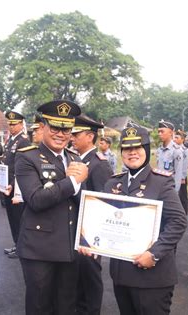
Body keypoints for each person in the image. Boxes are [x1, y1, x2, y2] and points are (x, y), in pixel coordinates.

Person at [81, 124, 186, 315]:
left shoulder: (161, 182)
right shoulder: (113, 182)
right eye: (127, 149)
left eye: (137, 148)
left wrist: (154, 254)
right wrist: (89, 243)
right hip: (122, 276)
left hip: (152, 278)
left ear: (146, 149)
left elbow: (178, 222)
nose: (132, 153)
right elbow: (101, 219)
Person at [15, 100, 88, 315]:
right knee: (40, 306)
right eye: (55, 127)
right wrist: (72, 182)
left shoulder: (75, 158)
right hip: (39, 249)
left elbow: (83, 201)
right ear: (43, 127)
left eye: (66, 129)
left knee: (66, 306)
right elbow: (36, 199)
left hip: (69, 247)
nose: (60, 134)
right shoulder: (27, 157)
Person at [71, 114, 113, 315]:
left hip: (90, 234)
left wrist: (95, 240)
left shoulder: (98, 164)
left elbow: (103, 203)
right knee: (78, 278)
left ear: (89, 136)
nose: (72, 137)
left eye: (76, 134)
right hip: (76, 229)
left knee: (90, 278)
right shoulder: (78, 160)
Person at [0, 110, 31, 259]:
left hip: (16, 186)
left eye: (14, 124)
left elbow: (21, 166)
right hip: (6, 185)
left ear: (21, 124)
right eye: (9, 124)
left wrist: (12, 183)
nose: (11, 127)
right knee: (12, 217)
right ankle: (16, 244)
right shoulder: (11, 140)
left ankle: (21, 247)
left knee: (18, 217)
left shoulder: (23, 140)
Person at [156, 120, 183, 192]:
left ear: (171, 133)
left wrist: (175, 193)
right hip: (158, 187)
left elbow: (178, 175)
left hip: (169, 189)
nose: (159, 134)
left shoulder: (176, 150)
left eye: (162, 131)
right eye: (158, 131)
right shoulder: (159, 150)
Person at [174, 129, 188, 214]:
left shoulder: (185, 151)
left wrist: (183, 177)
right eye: (174, 137)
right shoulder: (174, 149)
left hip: (181, 177)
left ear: (182, 139)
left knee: (182, 196)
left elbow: (185, 165)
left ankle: (184, 213)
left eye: (177, 137)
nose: (175, 139)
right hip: (174, 175)